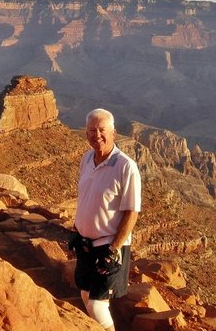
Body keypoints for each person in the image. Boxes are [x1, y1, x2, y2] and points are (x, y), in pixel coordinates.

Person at [71, 108, 141, 331]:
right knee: (85, 294)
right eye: (92, 130)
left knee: (96, 305)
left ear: (114, 133)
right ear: (86, 133)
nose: (97, 135)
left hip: (109, 246)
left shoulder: (125, 166)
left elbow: (132, 211)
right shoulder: (86, 159)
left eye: (102, 130)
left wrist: (114, 248)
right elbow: (85, 198)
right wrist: (77, 231)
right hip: (86, 244)